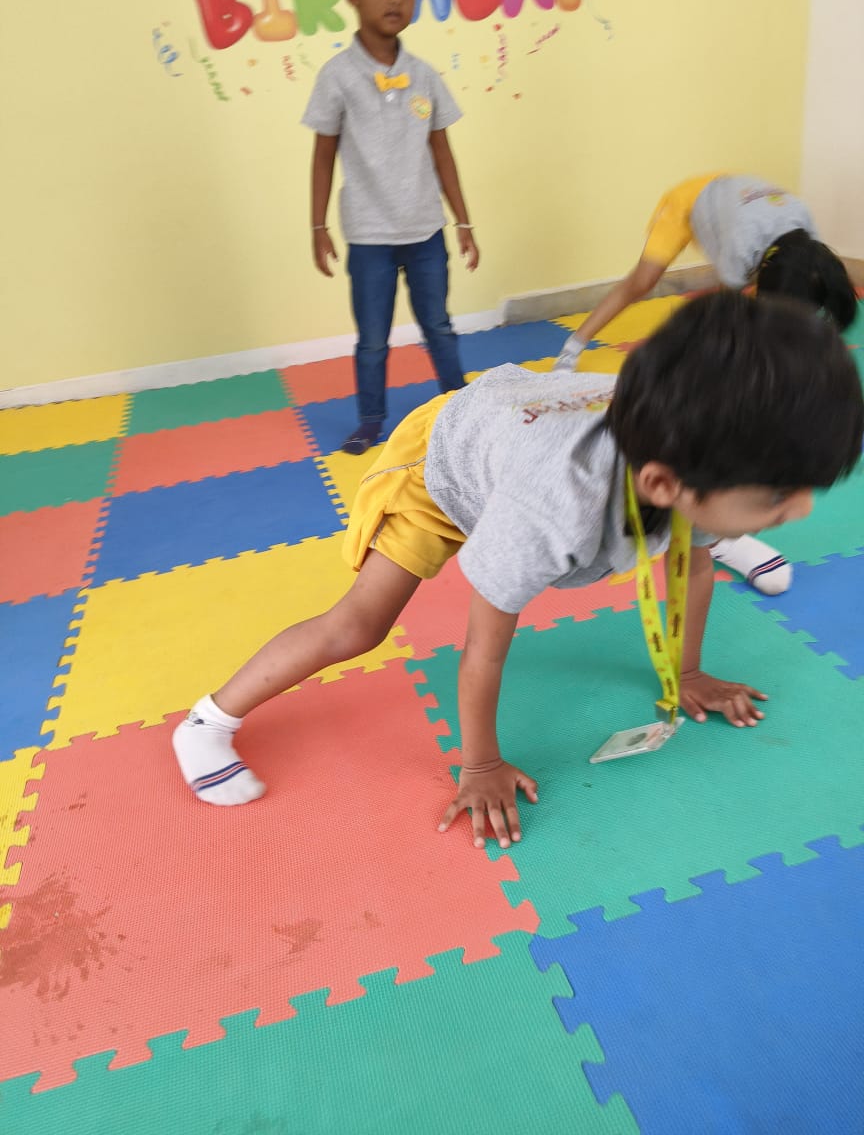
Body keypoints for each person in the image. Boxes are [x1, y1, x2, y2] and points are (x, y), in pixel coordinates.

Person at [172, 292, 863, 849]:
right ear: (663, 484)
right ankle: (206, 723)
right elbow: (483, 648)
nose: (802, 510)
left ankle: (730, 529)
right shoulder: (550, 512)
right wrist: (479, 764)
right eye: (778, 497)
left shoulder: (688, 449)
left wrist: (687, 673)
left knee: (698, 536)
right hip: (445, 464)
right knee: (358, 626)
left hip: (531, 423)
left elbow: (691, 567)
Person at [554, 173, 859, 597]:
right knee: (643, 282)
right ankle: (572, 345)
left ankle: (714, 536)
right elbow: (721, 323)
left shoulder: (808, 240)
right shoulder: (738, 253)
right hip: (693, 201)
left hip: (744, 208)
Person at [302, 0, 478, 456]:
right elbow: (323, 157)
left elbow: (442, 153)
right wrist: (318, 227)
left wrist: (463, 223)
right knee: (373, 340)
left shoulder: (423, 75)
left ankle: (459, 404)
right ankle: (371, 419)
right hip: (369, 237)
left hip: (426, 231)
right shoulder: (337, 76)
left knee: (438, 325)